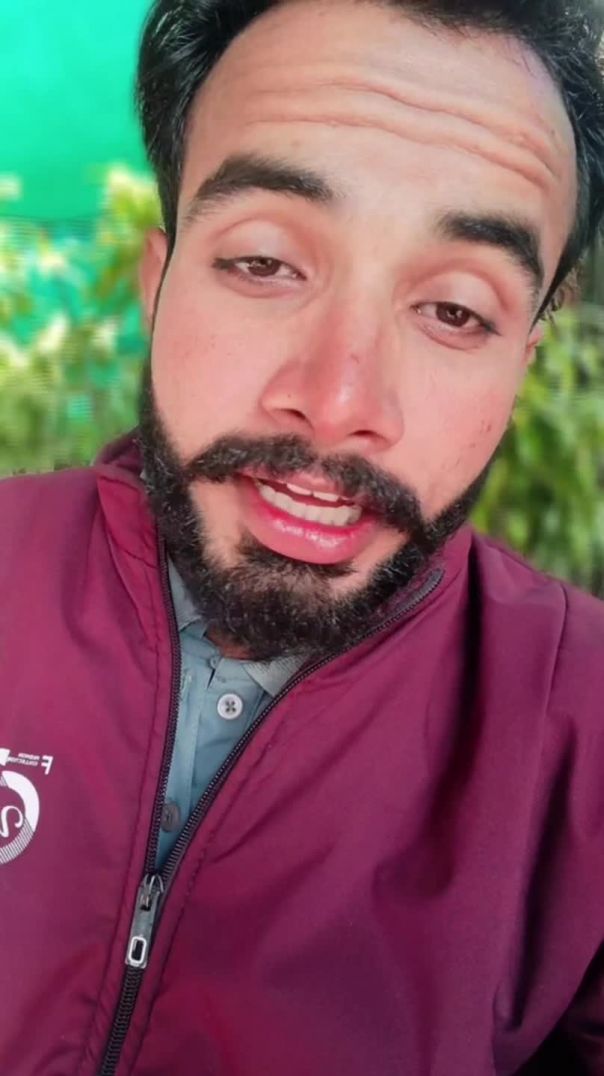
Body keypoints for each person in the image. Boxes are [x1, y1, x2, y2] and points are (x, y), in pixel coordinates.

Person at [2, 0, 604, 1072]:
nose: (336, 405)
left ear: (520, 362)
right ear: (156, 282)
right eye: (265, 263)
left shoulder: (583, 731)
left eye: (456, 310)